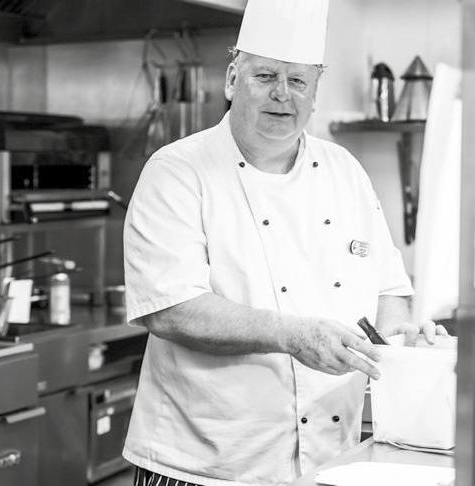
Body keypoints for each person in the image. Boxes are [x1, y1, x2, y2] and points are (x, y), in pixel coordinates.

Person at [122, 0, 445, 485]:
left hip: (331, 460)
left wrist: (401, 344)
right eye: (265, 76)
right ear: (233, 79)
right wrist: (290, 335)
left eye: (297, 80)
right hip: (203, 465)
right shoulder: (176, 171)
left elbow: (389, 292)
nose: (282, 94)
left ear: (315, 92)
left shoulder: (345, 171)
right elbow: (171, 310)